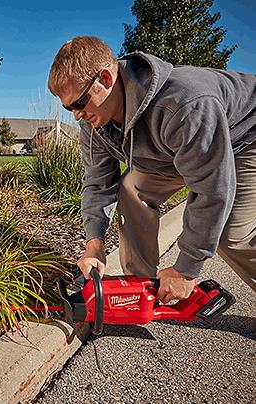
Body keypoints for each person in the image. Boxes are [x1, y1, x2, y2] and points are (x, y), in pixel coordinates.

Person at [48, 36, 256, 303]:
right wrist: (94, 245)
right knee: (131, 189)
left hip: (244, 138)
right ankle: (138, 290)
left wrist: (185, 269)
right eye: (68, 108)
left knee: (231, 236)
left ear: (106, 79)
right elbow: (98, 183)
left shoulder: (184, 103)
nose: (76, 115)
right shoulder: (94, 123)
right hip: (176, 151)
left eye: (79, 103)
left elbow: (212, 188)